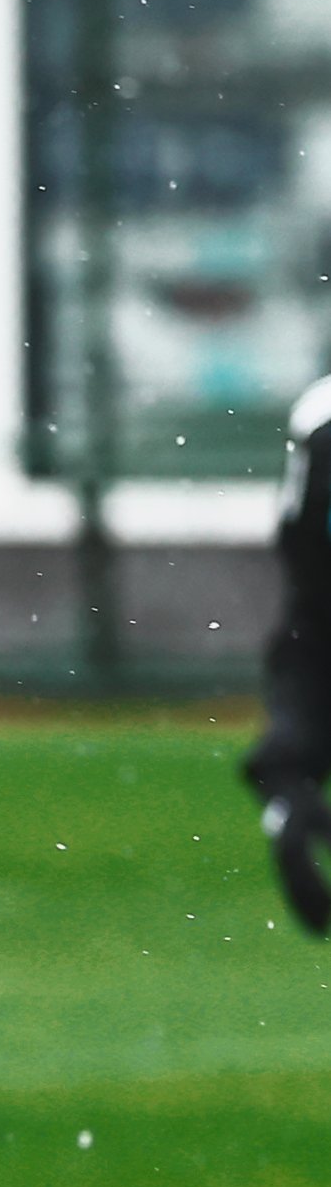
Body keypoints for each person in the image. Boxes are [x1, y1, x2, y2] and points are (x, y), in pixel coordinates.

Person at [242, 370, 331, 932]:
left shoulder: (318, 407)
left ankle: (289, 805)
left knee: (291, 753)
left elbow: (293, 532)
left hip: (317, 617)